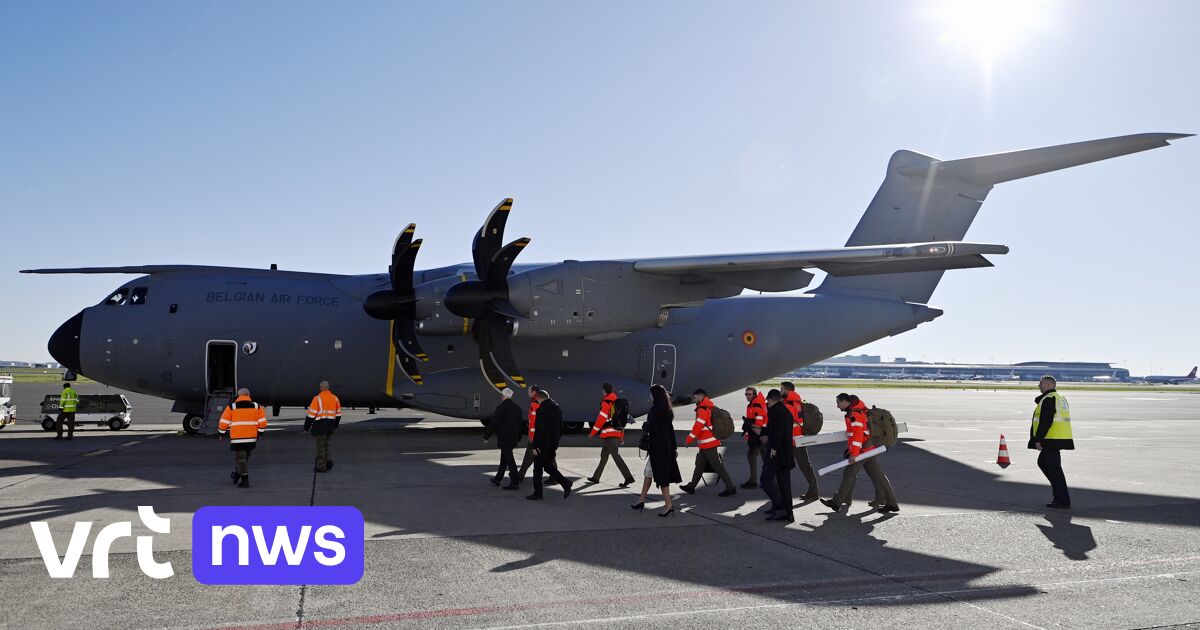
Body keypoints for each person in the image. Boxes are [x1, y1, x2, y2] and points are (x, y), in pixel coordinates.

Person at [821, 393, 898, 513]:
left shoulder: (855, 414)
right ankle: (891, 503)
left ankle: (837, 502)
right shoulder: (858, 411)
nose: (837, 406)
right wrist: (851, 450)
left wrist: (854, 454)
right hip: (868, 449)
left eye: (838, 403)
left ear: (844, 401)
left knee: (849, 472)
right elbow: (855, 436)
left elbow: (858, 436)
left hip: (864, 450)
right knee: (878, 476)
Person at [633, 384, 682, 517]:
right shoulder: (668, 409)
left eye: (651, 393)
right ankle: (641, 500)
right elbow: (670, 430)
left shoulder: (654, 410)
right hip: (666, 446)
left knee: (661, 477)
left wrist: (645, 426)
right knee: (649, 472)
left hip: (658, 447)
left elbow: (653, 428)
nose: (649, 395)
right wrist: (674, 447)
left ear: (654, 395)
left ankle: (668, 505)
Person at [680, 388, 737, 497]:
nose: (694, 399)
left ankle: (731, 487)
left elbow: (698, 426)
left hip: (708, 444)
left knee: (717, 466)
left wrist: (689, 439)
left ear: (701, 396)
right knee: (700, 465)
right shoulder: (706, 407)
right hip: (705, 443)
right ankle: (691, 486)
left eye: (695, 396)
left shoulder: (703, 409)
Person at [1030, 375, 1073, 508]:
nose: (1039, 386)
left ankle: (1062, 500)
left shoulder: (1049, 399)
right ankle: (1059, 498)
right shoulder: (1059, 397)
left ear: (1048, 385)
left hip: (1051, 438)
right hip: (1057, 438)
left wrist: (1038, 440)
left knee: (1051, 468)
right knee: (1048, 466)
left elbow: (1045, 422)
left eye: (1041, 383)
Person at [527, 389, 573, 500]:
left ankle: (538, 493)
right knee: (547, 466)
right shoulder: (557, 409)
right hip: (553, 443)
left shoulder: (541, 410)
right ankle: (565, 483)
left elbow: (540, 430)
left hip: (542, 444)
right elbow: (560, 428)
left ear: (539, 398)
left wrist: (535, 446)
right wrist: (555, 440)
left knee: (537, 469)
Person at [218, 388, 268, 488]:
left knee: (241, 459)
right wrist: (260, 434)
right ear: (248, 395)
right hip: (251, 439)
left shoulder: (232, 407)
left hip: (238, 438)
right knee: (244, 459)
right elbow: (262, 423)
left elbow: (223, 422)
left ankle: (245, 481)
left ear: (238, 395)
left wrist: (221, 434)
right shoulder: (256, 406)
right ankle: (237, 475)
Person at [587, 383, 635, 487]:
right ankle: (596, 477)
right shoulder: (616, 402)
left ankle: (628, 477)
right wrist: (621, 436)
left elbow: (601, 419)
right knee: (604, 456)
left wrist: (593, 432)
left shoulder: (606, 402)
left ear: (604, 391)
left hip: (609, 434)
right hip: (615, 433)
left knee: (616, 456)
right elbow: (621, 421)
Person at [760, 389, 795, 522]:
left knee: (765, 480)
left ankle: (779, 506)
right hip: (786, 454)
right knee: (784, 485)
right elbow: (776, 430)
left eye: (767, 401)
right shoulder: (785, 411)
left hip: (777, 454)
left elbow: (778, 431)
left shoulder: (776, 411)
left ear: (771, 399)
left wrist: (773, 447)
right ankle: (788, 513)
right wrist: (764, 432)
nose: (767, 403)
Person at [781, 381, 820, 500]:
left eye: (781, 389)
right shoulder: (798, 403)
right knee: (805, 466)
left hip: (791, 441)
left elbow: (786, 424)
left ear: (787, 390)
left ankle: (781, 492)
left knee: (782, 466)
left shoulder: (788, 405)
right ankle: (813, 491)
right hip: (798, 440)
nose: (780, 391)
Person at [514, 385, 555, 487]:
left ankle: (520, 476)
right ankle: (554, 477)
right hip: (541, 436)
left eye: (529, 391)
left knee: (529, 456)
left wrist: (532, 437)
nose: (528, 393)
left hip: (536, 437)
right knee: (549, 456)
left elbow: (534, 423)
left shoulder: (536, 404)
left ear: (534, 393)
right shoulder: (538, 404)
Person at [483, 388, 524, 488]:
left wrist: (486, 436)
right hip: (513, 438)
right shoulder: (517, 408)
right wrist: (519, 437)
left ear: (503, 395)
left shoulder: (501, 408)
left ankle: (515, 481)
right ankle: (498, 478)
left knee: (509, 460)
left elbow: (494, 423)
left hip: (505, 438)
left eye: (501, 394)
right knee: (504, 459)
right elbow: (520, 424)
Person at [303, 381, 341, 473]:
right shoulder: (335, 398)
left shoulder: (317, 399)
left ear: (321, 388)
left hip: (320, 426)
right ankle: (328, 461)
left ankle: (321, 467)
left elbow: (311, 415)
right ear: (328, 388)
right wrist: (335, 427)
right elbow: (338, 414)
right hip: (330, 426)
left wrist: (306, 428)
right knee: (326, 445)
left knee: (320, 447)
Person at [741, 387, 768, 488]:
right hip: (760, 435)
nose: (747, 396)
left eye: (749, 394)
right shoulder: (756, 403)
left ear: (754, 394)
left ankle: (753, 481)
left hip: (758, 436)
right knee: (765, 459)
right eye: (746, 394)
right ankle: (768, 480)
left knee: (751, 456)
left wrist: (750, 425)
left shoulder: (756, 405)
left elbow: (759, 422)